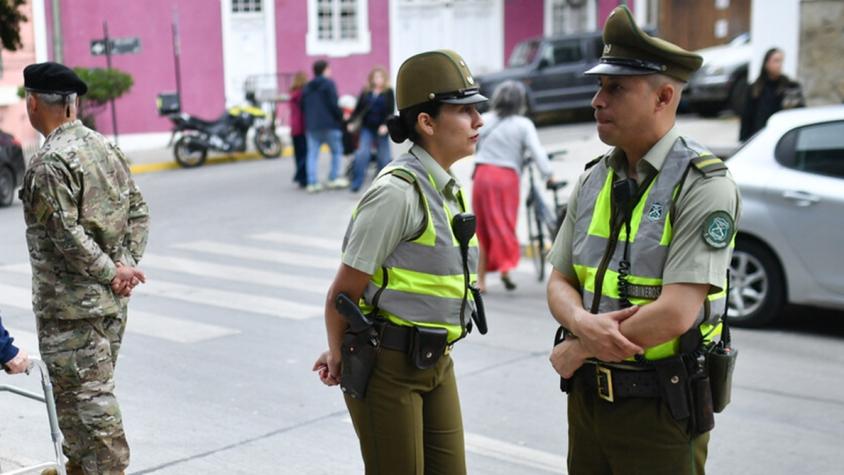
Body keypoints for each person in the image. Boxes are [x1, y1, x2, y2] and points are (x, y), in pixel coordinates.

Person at [545, 7, 741, 474]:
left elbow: (676, 313)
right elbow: (559, 279)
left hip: (661, 407)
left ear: (664, 96)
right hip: (588, 401)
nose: (597, 100)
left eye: (615, 88)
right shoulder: (594, 179)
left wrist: (579, 346)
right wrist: (579, 320)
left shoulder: (703, 184)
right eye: (599, 86)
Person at [312, 49, 487, 474]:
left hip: (437, 360)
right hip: (389, 368)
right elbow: (342, 292)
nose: (477, 121)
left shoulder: (444, 186)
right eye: (463, 110)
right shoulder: (397, 193)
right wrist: (338, 354)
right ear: (426, 122)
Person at [20, 62, 150, 475]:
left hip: (70, 314)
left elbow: (66, 236)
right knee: (83, 412)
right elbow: (138, 211)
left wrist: (113, 270)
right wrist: (125, 264)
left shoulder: (49, 162)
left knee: (90, 419)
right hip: (110, 307)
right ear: (73, 103)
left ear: (34, 102)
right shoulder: (104, 148)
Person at [472, 80, 553, 293]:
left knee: (482, 228)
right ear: (520, 101)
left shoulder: (485, 120)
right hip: (506, 178)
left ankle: (481, 281)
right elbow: (537, 152)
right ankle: (506, 266)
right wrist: (549, 175)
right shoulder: (523, 124)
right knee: (504, 223)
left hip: (482, 174)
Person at [739, 47, 805, 141]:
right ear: (766, 63)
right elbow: (747, 117)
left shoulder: (791, 87)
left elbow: (799, 114)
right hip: (760, 137)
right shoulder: (755, 88)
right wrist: (743, 140)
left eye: (781, 61)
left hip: (783, 138)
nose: (779, 65)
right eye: (776, 61)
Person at [301, 59, 348, 192]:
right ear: (325, 70)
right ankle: (333, 178)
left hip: (312, 126)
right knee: (336, 151)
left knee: (312, 154)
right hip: (330, 125)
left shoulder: (307, 86)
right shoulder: (329, 84)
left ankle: (312, 182)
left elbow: (302, 105)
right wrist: (341, 117)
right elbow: (333, 103)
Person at [347, 66, 395, 192]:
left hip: (382, 128)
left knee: (384, 157)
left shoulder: (388, 92)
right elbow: (358, 109)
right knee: (362, 154)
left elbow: (390, 111)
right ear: (372, 79)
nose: (378, 79)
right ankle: (357, 182)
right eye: (375, 77)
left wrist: (385, 125)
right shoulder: (366, 92)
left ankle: (383, 185)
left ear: (384, 79)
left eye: (380, 77)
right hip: (367, 128)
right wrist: (351, 122)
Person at [288, 71, 309, 188]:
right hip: (302, 126)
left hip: (294, 127)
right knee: (304, 153)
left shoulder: (292, 93)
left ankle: (300, 177)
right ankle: (301, 176)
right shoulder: (302, 94)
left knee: (298, 154)